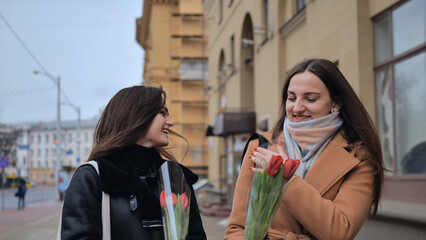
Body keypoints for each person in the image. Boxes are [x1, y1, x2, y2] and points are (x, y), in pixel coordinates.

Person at [226, 58, 384, 240]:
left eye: (310, 99)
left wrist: (287, 180)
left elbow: (340, 231)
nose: (297, 107)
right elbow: (236, 228)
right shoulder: (261, 145)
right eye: (291, 97)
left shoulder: (359, 157)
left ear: (336, 103)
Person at [60, 86, 206, 239]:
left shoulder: (176, 178)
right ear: (137, 115)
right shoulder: (93, 177)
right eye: (162, 113)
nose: (170, 122)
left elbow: (197, 236)